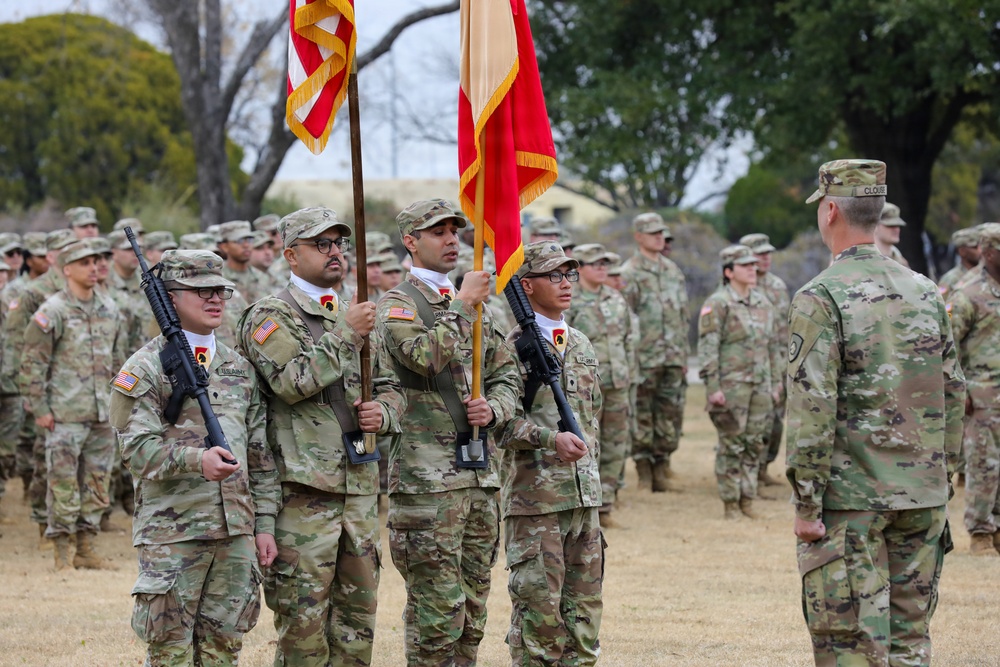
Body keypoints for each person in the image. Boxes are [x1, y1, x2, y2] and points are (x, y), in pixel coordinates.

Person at [787, 159, 965, 664]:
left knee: (848, 647)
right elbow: (953, 388)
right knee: (910, 643)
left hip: (852, 501)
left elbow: (812, 407)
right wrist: (942, 476)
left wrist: (805, 503)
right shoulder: (926, 290)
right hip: (922, 497)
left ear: (830, 211)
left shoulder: (821, 296)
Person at [239, 207, 405, 666]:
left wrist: (383, 414)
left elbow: (393, 389)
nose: (335, 252)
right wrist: (346, 335)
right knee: (304, 630)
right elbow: (290, 382)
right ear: (291, 255)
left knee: (357, 627)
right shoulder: (271, 315)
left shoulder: (359, 311)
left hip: (359, 492)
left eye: (339, 244)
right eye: (322, 244)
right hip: (303, 495)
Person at [111, 249, 279, 665]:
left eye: (219, 289)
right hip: (174, 534)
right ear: (169, 298)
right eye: (200, 290)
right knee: (171, 652)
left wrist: (265, 525)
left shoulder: (239, 366)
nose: (214, 298)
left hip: (236, 533)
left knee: (224, 649)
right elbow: (135, 450)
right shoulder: (146, 367)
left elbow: (259, 456)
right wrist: (194, 460)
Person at [376, 198, 520, 666]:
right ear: (411, 241)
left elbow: (506, 374)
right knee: (437, 614)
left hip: (479, 478)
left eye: (455, 231)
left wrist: (493, 409)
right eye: (438, 232)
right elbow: (424, 357)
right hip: (426, 485)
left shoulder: (472, 305)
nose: (452, 240)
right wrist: (462, 303)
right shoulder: (399, 305)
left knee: (474, 612)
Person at [499, 241, 604, 664]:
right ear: (526, 286)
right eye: (554, 275)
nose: (566, 284)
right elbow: (500, 424)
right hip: (536, 502)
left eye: (569, 275)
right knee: (539, 622)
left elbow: (595, 416)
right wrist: (548, 439)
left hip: (583, 497)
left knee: (584, 621)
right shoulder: (509, 347)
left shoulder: (580, 343)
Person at [22, 240, 129, 569]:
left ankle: (86, 547)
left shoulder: (109, 308)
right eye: (85, 262)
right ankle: (62, 552)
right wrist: (40, 408)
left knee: (97, 481)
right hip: (64, 414)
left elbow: (118, 361)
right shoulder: (52, 310)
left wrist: (121, 404)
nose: (94, 267)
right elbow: (32, 363)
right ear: (66, 269)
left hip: (101, 413)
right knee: (63, 482)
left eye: (97, 261)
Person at [698, 245, 780, 520]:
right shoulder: (718, 303)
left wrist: (776, 383)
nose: (752, 269)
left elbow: (773, 347)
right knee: (732, 444)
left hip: (760, 385)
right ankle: (731, 503)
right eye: (745, 266)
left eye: (753, 265)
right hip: (732, 387)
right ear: (729, 272)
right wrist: (713, 388)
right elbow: (709, 348)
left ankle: (748, 498)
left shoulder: (763, 302)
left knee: (755, 442)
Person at [565, 243, 635, 528]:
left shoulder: (616, 298)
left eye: (605, 263)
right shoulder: (570, 300)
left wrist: (631, 373)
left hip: (618, 382)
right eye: (595, 264)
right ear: (580, 268)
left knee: (617, 444)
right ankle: (586, 504)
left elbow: (628, 339)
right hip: (585, 386)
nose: (602, 268)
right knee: (587, 444)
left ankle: (607, 505)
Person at [621, 212, 689, 491]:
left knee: (669, 414)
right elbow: (625, 318)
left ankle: (662, 467)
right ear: (638, 237)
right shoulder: (629, 273)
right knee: (643, 415)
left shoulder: (672, 270)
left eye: (662, 233)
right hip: (644, 357)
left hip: (672, 356)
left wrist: (684, 353)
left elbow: (682, 315)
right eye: (653, 233)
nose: (660, 237)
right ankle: (644, 471)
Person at [945, 222, 1000, 556]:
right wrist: (958, 390)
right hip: (980, 398)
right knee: (982, 466)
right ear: (989, 253)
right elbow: (947, 345)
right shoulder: (967, 293)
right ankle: (980, 533)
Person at [738, 232, 790, 488]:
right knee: (750, 423)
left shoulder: (777, 287)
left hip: (778, 363)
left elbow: (785, 328)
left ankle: (763, 467)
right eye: (760, 254)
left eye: (768, 253)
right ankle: (746, 473)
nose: (766, 258)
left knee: (775, 422)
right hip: (748, 367)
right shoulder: (738, 286)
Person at [218, 220, 271, 303]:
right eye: (240, 241)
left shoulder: (262, 278)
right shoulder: (218, 277)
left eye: (249, 240)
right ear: (225, 247)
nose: (246, 245)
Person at [938, 226, 981, 300]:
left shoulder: (988, 274)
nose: (980, 251)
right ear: (962, 251)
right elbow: (943, 308)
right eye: (975, 247)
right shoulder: (950, 280)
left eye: (981, 246)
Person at [874, 202, 909, 267]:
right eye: (890, 225)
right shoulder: (865, 260)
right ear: (875, 226)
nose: (896, 229)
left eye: (898, 225)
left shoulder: (901, 262)